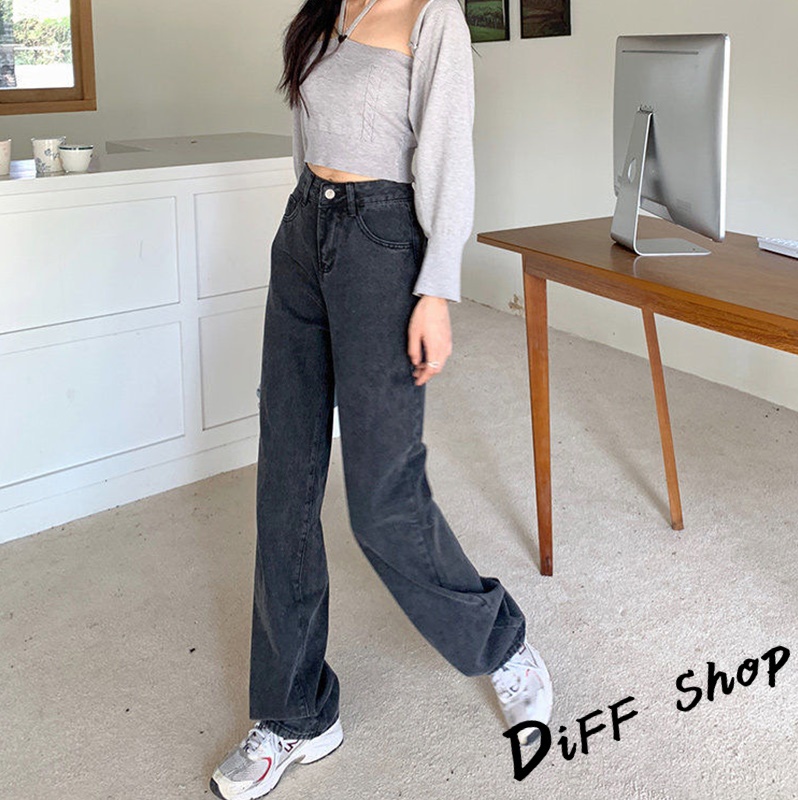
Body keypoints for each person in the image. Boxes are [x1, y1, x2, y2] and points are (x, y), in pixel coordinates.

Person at [210, 0, 553, 797]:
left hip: (383, 241)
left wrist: (435, 289)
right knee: (284, 485)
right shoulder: (324, 13)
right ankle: (296, 714)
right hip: (305, 233)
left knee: (382, 500)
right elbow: (307, 138)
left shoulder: (433, 18)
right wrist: (305, 230)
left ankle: (500, 643)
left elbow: (446, 154)